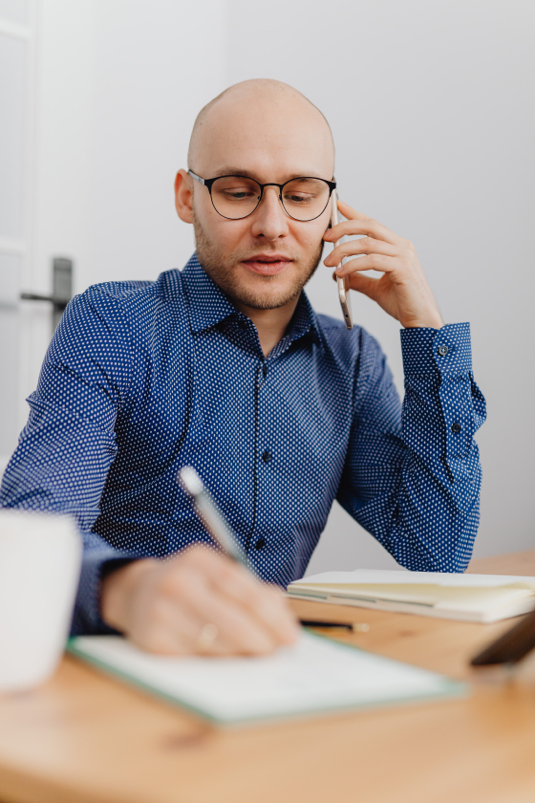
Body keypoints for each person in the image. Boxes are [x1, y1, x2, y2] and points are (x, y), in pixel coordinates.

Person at [0, 79, 486, 657]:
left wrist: (426, 332)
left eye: (301, 194)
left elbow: (438, 549)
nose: (273, 225)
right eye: (237, 191)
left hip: (272, 672)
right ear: (187, 197)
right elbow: (33, 532)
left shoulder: (353, 360)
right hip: (122, 671)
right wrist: (127, 589)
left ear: (330, 205)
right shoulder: (113, 325)